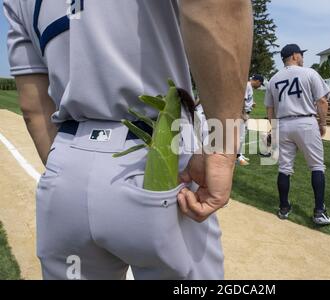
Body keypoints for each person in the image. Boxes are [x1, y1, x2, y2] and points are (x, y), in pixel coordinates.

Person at [4, 0, 252, 279]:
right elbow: (217, 6)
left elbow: (33, 108)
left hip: (67, 163)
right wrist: (221, 147)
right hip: (158, 156)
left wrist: (73, 170)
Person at [264, 44, 330, 225]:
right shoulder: (308, 73)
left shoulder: (273, 78)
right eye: (300, 54)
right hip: (305, 121)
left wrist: (273, 129)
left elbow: (269, 108)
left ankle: (284, 208)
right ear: (294, 55)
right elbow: (322, 100)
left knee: (284, 168)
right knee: (317, 166)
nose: (302, 57)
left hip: (283, 123)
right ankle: (319, 211)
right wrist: (323, 122)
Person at [237, 74, 265, 166]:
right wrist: (244, 114)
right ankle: (237, 156)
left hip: (245, 113)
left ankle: (240, 154)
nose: (260, 86)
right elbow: (241, 100)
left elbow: (246, 99)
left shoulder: (249, 87)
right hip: (242, 115)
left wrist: (251, 103)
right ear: (257, 81)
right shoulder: (247, 86)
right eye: (260, 84)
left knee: (243, 135)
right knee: (240, 136)